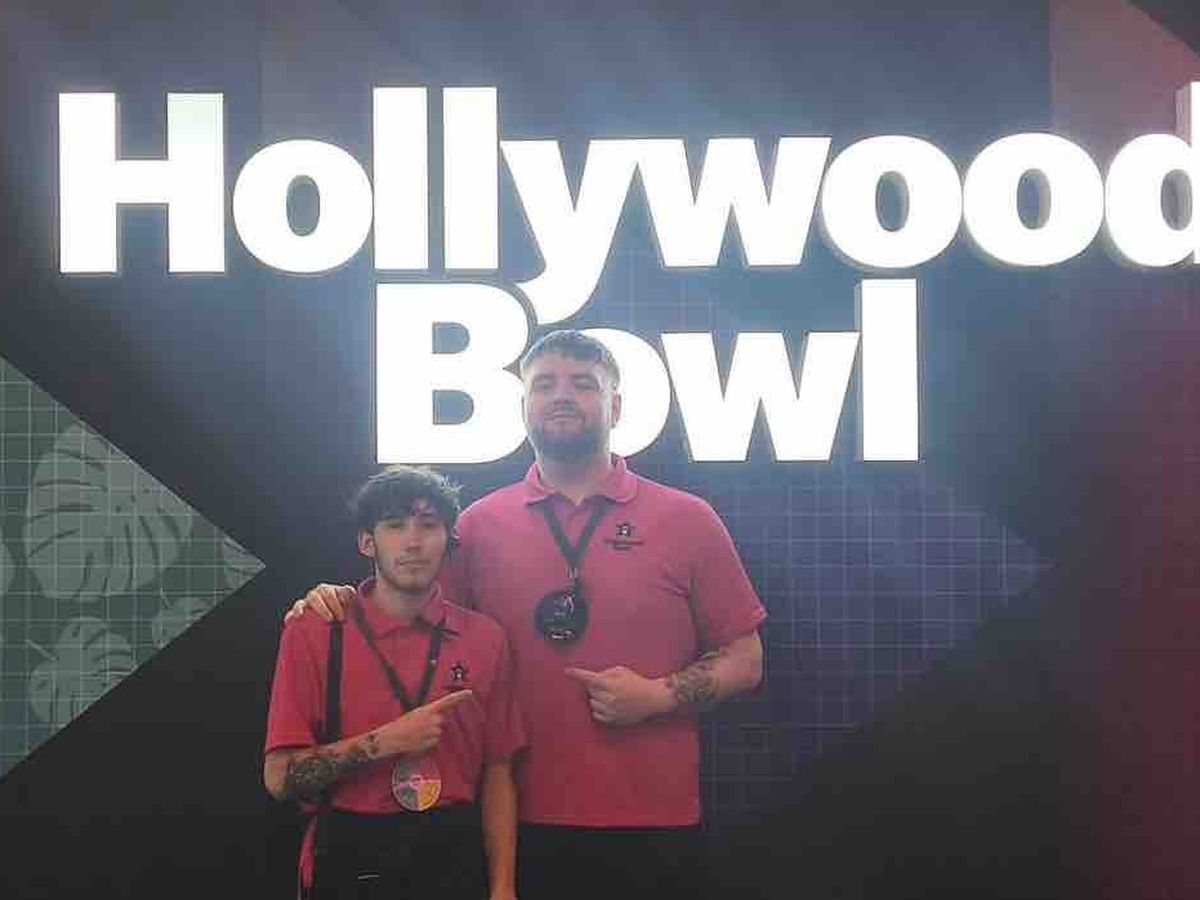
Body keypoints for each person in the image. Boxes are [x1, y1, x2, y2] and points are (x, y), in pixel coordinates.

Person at [292, 330, 766, 900]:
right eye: (544, 385)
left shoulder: (688, 519)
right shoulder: (477, 526)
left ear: (616, 406)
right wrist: (337, 601)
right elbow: (413, 623)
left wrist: (659, 696)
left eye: (583, 384)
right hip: (509, 826)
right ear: (523, 408)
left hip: (654, 822)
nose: (561, 395)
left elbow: (746, 658)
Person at [264, 466, 525, 900]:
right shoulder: (316, 629)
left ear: (448, 538)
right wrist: (385, 741)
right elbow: (279, 779)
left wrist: (502, 887)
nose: (413, 542)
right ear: (367, 541)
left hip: (453, 853)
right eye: (394, 525)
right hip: (350, 852)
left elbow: (499, 772)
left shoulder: (485, 639)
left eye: (429, 525)